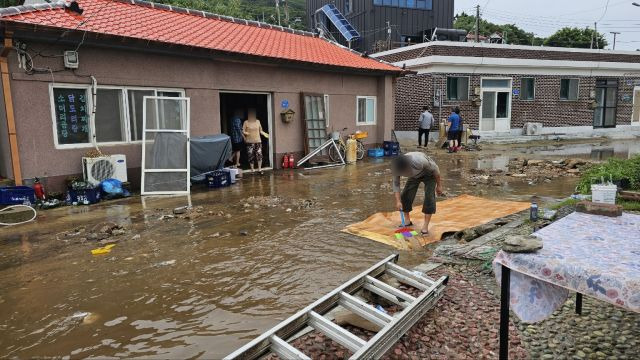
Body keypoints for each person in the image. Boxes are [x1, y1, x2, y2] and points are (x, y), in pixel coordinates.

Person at [392, 152, 444, 236]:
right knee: (405, 195)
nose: (403, 173)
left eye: (404, 171)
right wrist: (398, 201)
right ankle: (407, 221)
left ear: (408, 165)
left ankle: (425, 227)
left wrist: (439, 185)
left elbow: (436, 170)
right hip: (414, 176)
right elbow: (396, 184)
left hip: (429, 175)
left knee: (429, 198)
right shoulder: (396, 167)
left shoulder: (419, 161)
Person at [242, 108, 269, 175]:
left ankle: (259, 169)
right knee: (251, 156)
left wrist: (265, 134)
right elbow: (242, 131)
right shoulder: (246, 122)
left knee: (259, 155)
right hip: (249, 142)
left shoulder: (258, 121)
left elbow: (260, 130)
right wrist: (246, 133)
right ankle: (252, 170)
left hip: (258, 141)